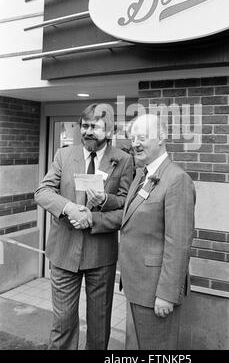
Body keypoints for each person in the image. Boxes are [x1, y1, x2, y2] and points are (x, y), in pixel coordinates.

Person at [71, 113, 196, 349]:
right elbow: (128, 216)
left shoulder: (177, 179)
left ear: (162, 138)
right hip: (137, 286)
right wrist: (102, 203)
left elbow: (178, 243)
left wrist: (167, 294)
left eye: (142, 137)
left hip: (156, 291)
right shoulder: (142, 174)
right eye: (132, 137)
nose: (135, 143)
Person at [34, 103, 133, 350]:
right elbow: (42, 191)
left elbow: (127, 208)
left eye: (95, 127)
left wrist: (104, 203)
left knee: (99, 325)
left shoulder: (123, 160)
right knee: (63, 322)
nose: (88, 132)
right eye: (85, 126)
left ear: (109, 131)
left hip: (101, 255)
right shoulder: (64, 155)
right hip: (63, 252)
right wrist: (69, 208)